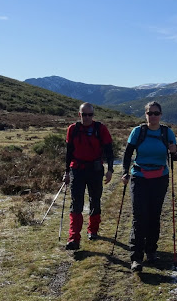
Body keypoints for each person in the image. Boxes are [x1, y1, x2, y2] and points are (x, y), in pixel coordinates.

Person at [121, 101, 177, 272]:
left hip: (160, 178)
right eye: (150, 113)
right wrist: (125, 172)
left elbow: (175, 158)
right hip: (139, 178)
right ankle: (136, 257)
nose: (153, 116)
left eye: (156, 113)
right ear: (145, 115)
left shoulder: (166, 132)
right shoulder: (138, 132)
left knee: (154, 216)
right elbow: (127, 154)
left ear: (161, 115)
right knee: (140, 217)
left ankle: (151, 250)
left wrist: (174, 150)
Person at [63, 102, 114, 250]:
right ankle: (74, 238)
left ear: (93, 115)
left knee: (95, 199)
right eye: (83, 114)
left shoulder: (101, 129)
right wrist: (66, 172)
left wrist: (110, 170)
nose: (86, 117)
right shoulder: (72, 129)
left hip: (95, 170)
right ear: (79, 114)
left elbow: (109, 151)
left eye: (89, 114)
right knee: (76, 202)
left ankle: (93, 230)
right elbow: (69, 152)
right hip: (77, 170)